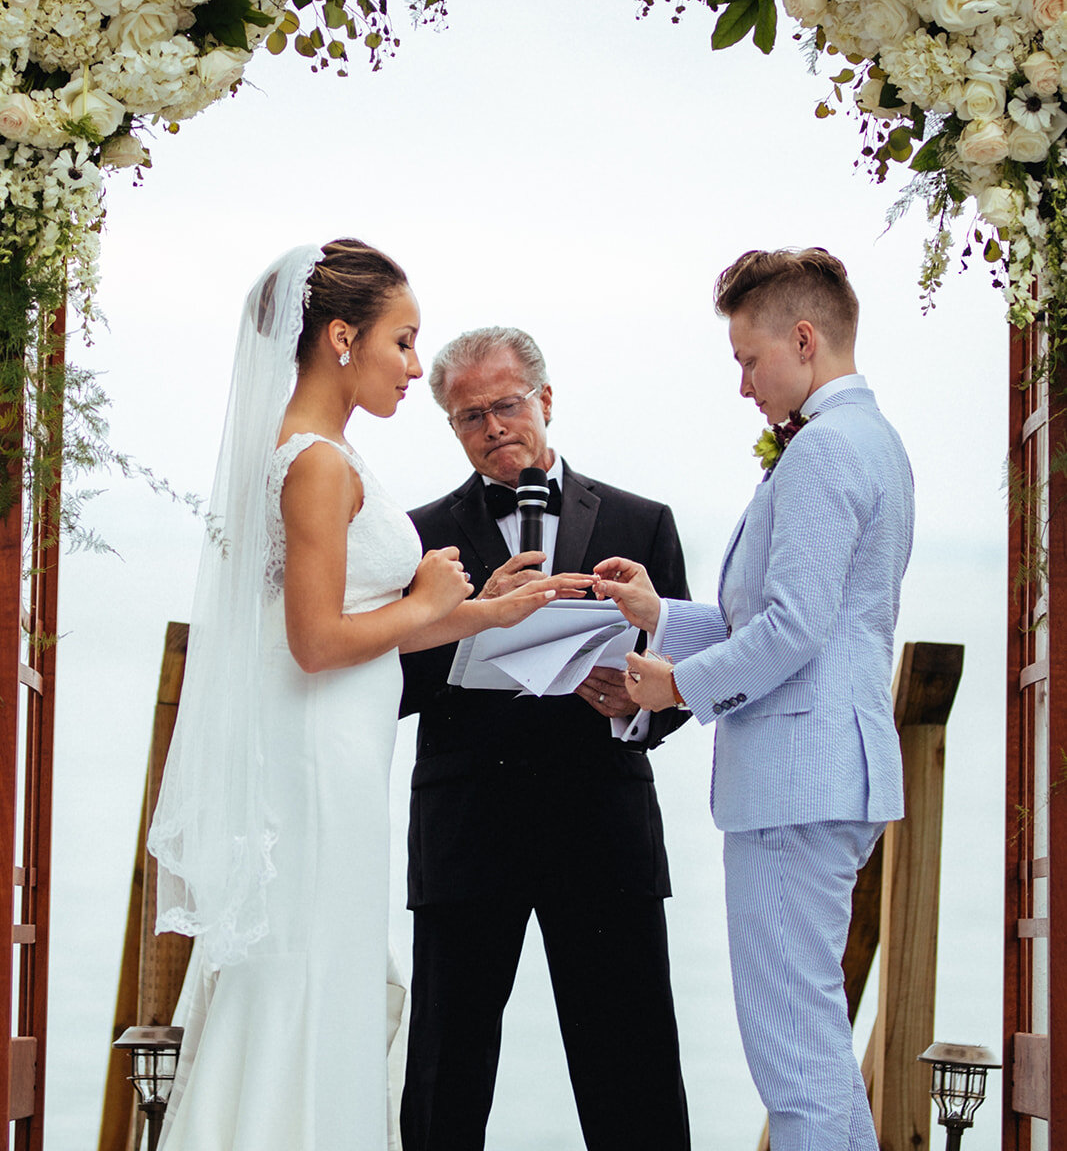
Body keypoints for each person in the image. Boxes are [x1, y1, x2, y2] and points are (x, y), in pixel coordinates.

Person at [148, 243, 582, 1151]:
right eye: (403, 340)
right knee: (306, 967)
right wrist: (426, 601)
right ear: (342, 338)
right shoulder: (314, 464)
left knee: (328, 964)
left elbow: (361, 623)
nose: (414, 367)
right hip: (316, 758)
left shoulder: (326, 453)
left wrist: (479, 612)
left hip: (339, 751)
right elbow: (313, 643)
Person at [595, 248, 913, 1151]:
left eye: (748, 359)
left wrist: (674, 684)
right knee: (812, 1045)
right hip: (830, 769)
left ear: (803, 340)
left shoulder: (822, 452)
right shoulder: (873, 441)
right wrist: (660, 613)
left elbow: (793, 628)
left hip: (794, 780)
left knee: (793, 1056)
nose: (743, 385)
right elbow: (813, 621)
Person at [399, 326, 692, 1151]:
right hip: (467, 833)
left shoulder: (642, 521)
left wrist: (632, 703)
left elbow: (687, 674)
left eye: (506, 405)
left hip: (602, 829)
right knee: (445, 1077)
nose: (492, 427)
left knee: (631, 1073)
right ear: (451, 427)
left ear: (545, 399)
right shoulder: (420, 536)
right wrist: (462, 626)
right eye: (468, 417)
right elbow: (384, 686)